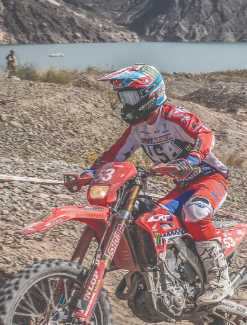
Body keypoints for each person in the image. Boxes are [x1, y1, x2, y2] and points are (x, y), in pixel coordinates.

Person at [67, 65, 234, 305]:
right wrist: (89, 173)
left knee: (195, 212)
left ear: (151, 94)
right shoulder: (137, 129)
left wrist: (191, 160)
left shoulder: (173, 116)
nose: (126, 103)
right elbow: (114, 154)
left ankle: (219, 280)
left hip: (210, 178)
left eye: (131, 97)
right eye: (123, 97)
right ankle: (172, 276)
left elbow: (205, 135)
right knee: (151, 221)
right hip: (182, 186)